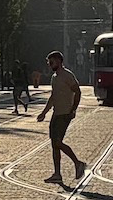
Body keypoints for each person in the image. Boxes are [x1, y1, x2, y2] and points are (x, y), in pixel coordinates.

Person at [37, 50, 88, 184]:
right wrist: (44, 112)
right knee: (54, 144)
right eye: (49, 62)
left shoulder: (67, 75)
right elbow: (53, 97)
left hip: (65, 113)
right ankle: (57, 174)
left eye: (51, 62)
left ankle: (78, 163)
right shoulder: (54, 77)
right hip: (56, 113)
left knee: (58, 142)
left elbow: (77, 91)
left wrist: (73, 109)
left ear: (59, 61)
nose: (50, 64)